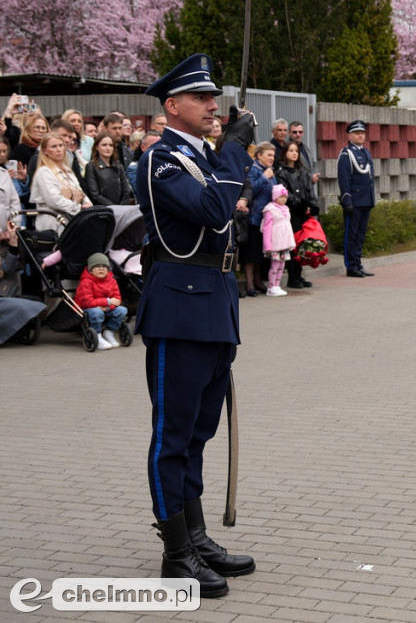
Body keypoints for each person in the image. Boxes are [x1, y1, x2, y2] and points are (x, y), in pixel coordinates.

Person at [134, 53, 256, 598]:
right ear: (172, 106)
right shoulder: (162, 159)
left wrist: (228, 155)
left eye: (214, 98)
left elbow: (232, 212)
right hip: (180, 308)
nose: (213, 106)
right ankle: (175, 553)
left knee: (200, 433)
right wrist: (234, 149)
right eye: (202, 98)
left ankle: (198, 536)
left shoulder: (205, 156)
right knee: (173, 435)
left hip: (215, 303)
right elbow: (212, 210)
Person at [274, 140, 316, 288]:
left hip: (304, 213)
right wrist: (302, 205)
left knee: (302, 244)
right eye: (291, 150)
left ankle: (299, 275)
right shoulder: (281, 172)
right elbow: (285, 193)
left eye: (296, 151)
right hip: (291, 213)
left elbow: (310, 190)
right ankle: (292, 277)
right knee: (292, 246)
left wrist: (312, 205)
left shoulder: (303, 171)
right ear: (285, 153)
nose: (294, 153)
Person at [29, 133, 91, 234]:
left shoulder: (68, 170)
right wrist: (79, 209)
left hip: (73, 221)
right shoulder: (43, 172)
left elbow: (81, 193)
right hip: (53, 224)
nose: (58, 149)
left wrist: (88, 205)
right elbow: (55, 200)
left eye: (61, 145)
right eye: (54, 146)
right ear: (45, 150)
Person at [337, 120, 376, 278]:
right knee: (351, 235)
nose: (360, 135)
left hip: (366, 199)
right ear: (350, 135)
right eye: (357, 133)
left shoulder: (366, 152)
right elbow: (344, 178)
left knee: (360, 234)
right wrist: (347, 199)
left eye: (362, 133)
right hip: (354, 200)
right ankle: (351, 266)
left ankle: (358, 263)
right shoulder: (346, 153)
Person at [240, 142, 277, 295]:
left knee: (260, 253)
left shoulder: (270, 171)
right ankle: (249, 284)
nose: (272, 158)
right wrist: (264, 177)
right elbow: (250, 190)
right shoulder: (253, 170)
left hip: (267, 219)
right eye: (269, 155)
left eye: (273, 155)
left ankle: (258, 281)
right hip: (253, 217)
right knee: (250, 253)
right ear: (259, 155)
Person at [75, 252, 128, 350]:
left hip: (105, 308)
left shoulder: (112, 281)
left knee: (122, 310)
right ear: (90, 271)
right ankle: (98, 335)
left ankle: (109, 332)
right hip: (86, 310)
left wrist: (108, 307)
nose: (101, 268)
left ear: (108, 270)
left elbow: (117, 300)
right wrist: (108, 302)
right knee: (96, 311)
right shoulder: (86, 282)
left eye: (104, 266)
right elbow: (87, 302)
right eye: (97, 266)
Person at [261, 184, 295, 297]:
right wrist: (267, 246)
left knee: (282, 265)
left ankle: (277, 285)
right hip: (275, 244)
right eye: (281, 197)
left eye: (285, 197)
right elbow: (266, 228)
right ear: (275, 197)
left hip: (284, 243)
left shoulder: (286, 209)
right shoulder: (270, 210)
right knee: (275, 265)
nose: (283, 199)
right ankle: (271, 287)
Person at [84, 132, 133, 205]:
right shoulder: (91, 167)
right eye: (104, 145)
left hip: (122, 210)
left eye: (111, 145)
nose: (108, 148)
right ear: (97, 147)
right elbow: (94, 194)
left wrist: (121, 207)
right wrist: (113, 207)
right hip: (103, 210)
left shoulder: (119, 166)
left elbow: (126, 191)